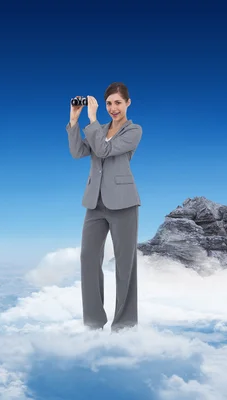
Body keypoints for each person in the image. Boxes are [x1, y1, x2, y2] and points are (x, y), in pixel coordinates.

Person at [65, 82, 142, 332]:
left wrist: (92, 118)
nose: (113, 108)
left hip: (124, 203)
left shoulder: (134, 130)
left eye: (118, 103)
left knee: (124, 263)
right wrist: (75, 122)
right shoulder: (98, 129)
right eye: (109, 103)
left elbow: (104, 150)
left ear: (128, 103)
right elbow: (77, 152)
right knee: (88, 257)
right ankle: (93, 322)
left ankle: (125, 324)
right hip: (94, 202)